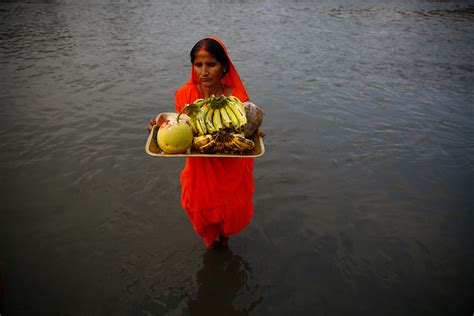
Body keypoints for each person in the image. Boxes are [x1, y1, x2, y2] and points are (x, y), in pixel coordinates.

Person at [149, 37, 257, 249]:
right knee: (202, 215)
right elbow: (182, 129)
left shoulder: (236, 97)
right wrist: (159, 129)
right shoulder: (185, 95)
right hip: (200, 169)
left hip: (230, 169)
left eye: (211, 64)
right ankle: (212, 249)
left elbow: (246, 126)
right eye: (198, 65)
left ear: (224, 67)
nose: (204, 71)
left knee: (230, 216)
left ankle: (225, 242)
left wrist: (254, 132)